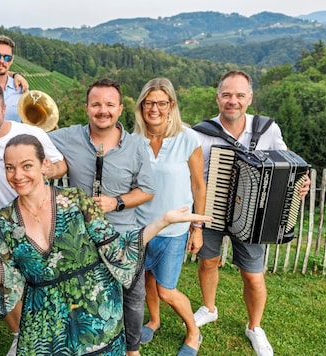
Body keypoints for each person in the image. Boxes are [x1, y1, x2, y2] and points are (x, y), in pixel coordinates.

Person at [0, 133, 213, 355]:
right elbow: (9, 281)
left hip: (96, 318)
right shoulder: (4, 221)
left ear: (43, 165)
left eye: (27, 165)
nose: (17, 175)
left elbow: (117, 249)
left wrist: (163, 221)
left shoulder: (75, 200)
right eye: (9, 167)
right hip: (45, 329)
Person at [192, 70, 310, 356]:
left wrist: (299, 184)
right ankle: (209, 308)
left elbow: (288, 164)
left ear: (250, 98)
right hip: (212, 209)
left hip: (253, 214)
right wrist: (195, 219)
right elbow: (195, 178)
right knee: (208, 263)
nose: (233, 101)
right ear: (217, 97)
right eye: (227, 95)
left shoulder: (267, 129)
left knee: (253, 276)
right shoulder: (200, 132)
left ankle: (255, 327)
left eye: (239, 95)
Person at [0, 79, 67, 355]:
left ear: (4, 108)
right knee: (4, 292)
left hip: (45, 226)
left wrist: (44, 172)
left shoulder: (31, 133)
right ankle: (20, 336)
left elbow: (61, 165)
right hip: (5, 232)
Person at [48, 78, 155, 356]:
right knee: (81, 293)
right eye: (96, 104)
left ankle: (132, 349)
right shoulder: (68, 136)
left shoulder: (137, 146)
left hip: (124, 233)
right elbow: (30, 137)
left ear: (120, 109)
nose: (102, 110)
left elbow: (147, 190)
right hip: (81, 236)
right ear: (87, 108)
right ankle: (84, 342)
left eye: (109, 104)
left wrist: (115, 202)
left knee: (132, 298)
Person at [131, 78, 206, 355]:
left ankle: (193, 332)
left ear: (171, 105)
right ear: (141, 106)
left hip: (174, 230)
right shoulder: (134, 139)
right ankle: (154, 320)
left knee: (166, 289)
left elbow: (198, 184)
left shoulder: (188, 138)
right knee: (147, 279)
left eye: (161, 103)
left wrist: (197, 227)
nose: (155, 109)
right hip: (142, 226)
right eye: (149, 102)